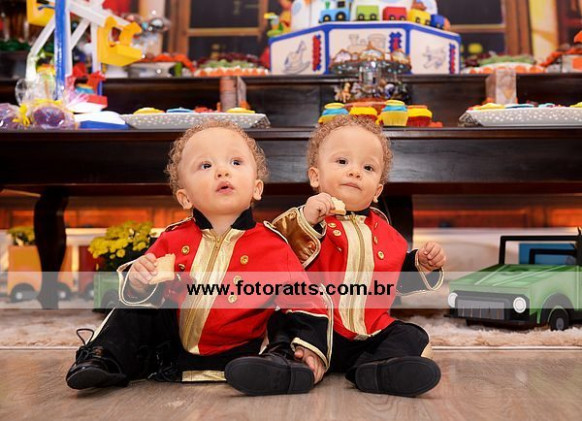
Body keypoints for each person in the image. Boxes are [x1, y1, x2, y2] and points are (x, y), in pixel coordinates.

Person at [66, 120, 330, 396]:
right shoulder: (172, 239)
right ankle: (104, 356)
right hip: (168, 352)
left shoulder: (273, 246)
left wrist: (309, 345)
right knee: (135, 306)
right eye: (206, 165)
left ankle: (283, 363)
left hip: (242, 355)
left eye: (236, 162)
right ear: (185, 197)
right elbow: (138, 289)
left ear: (257, 188)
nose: (222, 171)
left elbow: (306, 302)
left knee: (290, 316)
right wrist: (138, 281)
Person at [272, 115, 446, 397]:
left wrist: (420, 264)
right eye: (342, 162)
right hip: (318, 326)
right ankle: (292, 365)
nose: (355, 172)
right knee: (288, 324)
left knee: (416, 337)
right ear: (315, 176)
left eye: (368, 167)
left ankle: (373, 369)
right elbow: (277, 251)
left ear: (377, 190)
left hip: (368, 334)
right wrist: (305, 219)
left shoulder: (387, 234)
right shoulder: (309, 219)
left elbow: (395, 280)